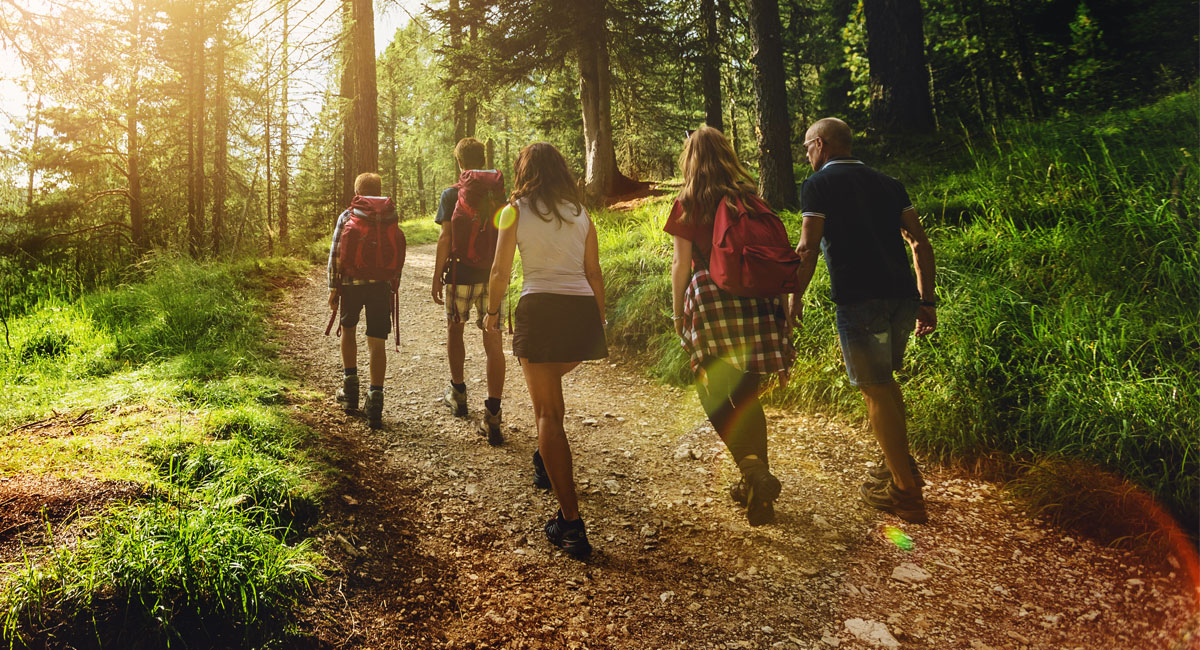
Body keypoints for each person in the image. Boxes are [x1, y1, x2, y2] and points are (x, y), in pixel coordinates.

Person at [792, 117, 937, 524]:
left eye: (807, 147)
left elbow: (807, 248)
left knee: (875, 389)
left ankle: (905, 493)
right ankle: (898, 466)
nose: (806, 155)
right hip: (903, 298)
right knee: (886, 384)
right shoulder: (889, 183)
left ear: (820, 144)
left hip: (860, 300)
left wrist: (794, 298)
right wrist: (928, 300)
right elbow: (919, 242)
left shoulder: (818, 185)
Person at [665, 126, 797, 527]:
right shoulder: (750, 198)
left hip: (713, 300)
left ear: (690, 159)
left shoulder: (687, 202)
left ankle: (752, 470)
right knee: (748, 393)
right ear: (727, 154)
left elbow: (681, 266)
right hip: (758, 301)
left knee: (714, 393)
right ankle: (758, 490)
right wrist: (784, 306)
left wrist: (677, 314)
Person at [485, 142, 607, 559]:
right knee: (553, 402)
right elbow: (593, 271)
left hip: (539, 310)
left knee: (547, 415)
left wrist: (491, 313)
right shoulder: (579, 211)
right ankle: (546, 459)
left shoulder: (515, 208)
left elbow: (501, 270)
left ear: (524, 170)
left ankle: (570, 524)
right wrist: (599, 321)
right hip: (580, 312)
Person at [432, 138, 507, 445]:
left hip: (460, 274)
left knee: (455, 330)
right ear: (484, 159)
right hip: (492, 275)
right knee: (493, 340)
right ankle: (492, 413)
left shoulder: (451, 194)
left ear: (460, 163)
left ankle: (458, 392)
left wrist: (437, 276)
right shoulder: (499, 194)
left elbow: (445, 238)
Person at [327, 172, 403, 430]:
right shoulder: (390, 216)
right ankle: (375, 401)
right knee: (377, 340)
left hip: (351, 284)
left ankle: (350, 393)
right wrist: (393, 283)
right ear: (379, 190)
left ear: (358, 193)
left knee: (347, 329)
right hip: (381, 285)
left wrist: (333, 287)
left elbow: (336, 252)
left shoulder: (348, 215)